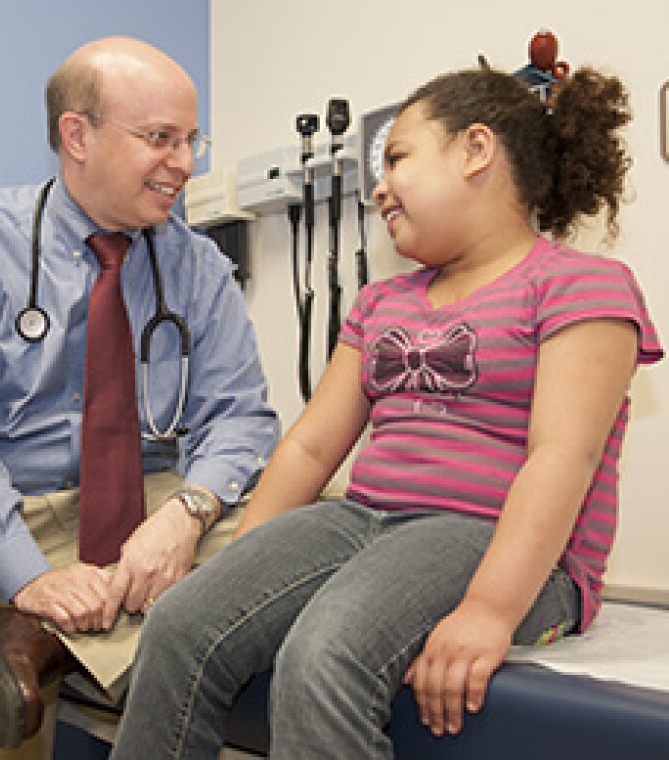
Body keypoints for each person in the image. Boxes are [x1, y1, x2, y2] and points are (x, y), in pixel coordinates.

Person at [109, 65, 664, 759]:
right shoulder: (381, 303)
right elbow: (311, 446)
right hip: (364, 520)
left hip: (493, 535)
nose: (378, 187)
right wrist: (243, 574)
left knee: (325, 652)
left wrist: (490, 610)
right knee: (181, 625)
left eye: (397, 157)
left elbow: (563, 456)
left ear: (476, 150)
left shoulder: (581, 286)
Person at [0, 36, 278, 760]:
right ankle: (46, 627)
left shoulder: (197, 265)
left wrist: (187, 515)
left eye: (192, 140)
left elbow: (241, 417)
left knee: (315, 522)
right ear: (77, 135)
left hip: (151, 508)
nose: (186, 164)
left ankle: (49, 645)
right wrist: (28, 579)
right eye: (161, 138)